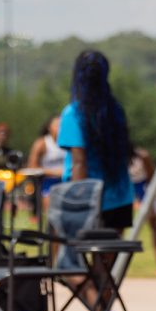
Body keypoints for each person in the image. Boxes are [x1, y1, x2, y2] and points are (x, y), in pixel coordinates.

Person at [58, 50, 134, 234]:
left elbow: (79, 162)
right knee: (112, 259)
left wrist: (79, 204)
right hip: (120, 195)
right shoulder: (116, 111)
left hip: (89, 198)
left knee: (80, 257)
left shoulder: (73, 113)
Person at [128, 145, 156, 277]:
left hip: (144, 191)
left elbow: (152, 178)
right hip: (126, 190)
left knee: (154, 225)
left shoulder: (142, 156)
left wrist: (145, 201)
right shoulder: (117, 155)